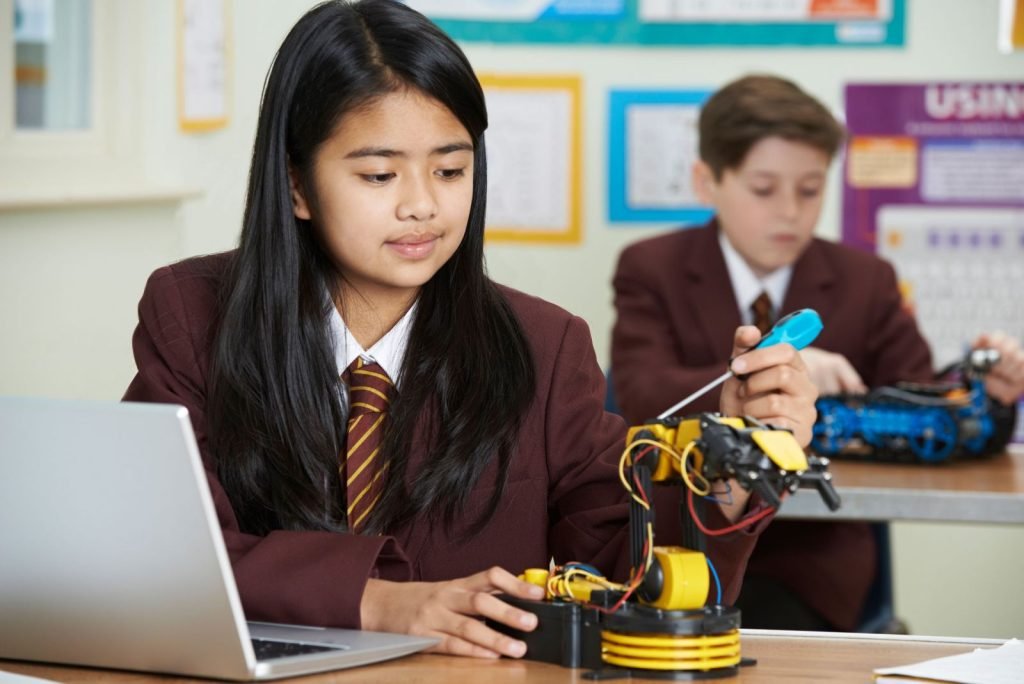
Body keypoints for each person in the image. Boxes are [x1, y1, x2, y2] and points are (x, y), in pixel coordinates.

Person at [123, 3, 818, 660]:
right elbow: (162, 553)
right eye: (379, 174)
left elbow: (626, 575)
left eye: (451, 170)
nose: (423, 205)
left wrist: (730, 473)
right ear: (297, 185)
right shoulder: (192, 314)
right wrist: (375, 601)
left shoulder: (545, 347)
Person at [611, 74, 1024, 632]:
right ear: (707, 182)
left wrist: (982, 396)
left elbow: (919, 396)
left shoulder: (865, 279)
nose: (790, 211)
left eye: (810, 190)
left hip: (811, 562)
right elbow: (641, 395)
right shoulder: (651, 267)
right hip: (685, 538)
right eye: (764, 189)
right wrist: (764, 378)